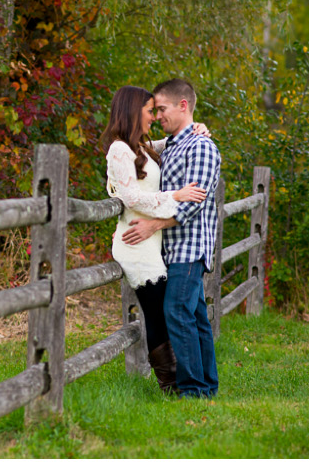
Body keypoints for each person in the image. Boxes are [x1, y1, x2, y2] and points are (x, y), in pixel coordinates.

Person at [100, 86, 207, 395]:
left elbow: (173, 141)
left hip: (151, 242)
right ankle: (170, 385)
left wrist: (195, 128)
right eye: (150, 111)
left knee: (162, 312)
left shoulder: (142, 148)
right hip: (135, 242)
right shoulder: (119, 150)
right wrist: (176, 196)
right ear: (134, 112)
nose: (155, 117)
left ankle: (177, 383)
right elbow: (131, 195)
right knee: (158, 314)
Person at [123, 78, 222, 398]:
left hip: (189, 246)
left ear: (183, 106)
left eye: (162, 109)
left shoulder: (201, 146)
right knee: (194, 317)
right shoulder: (176, 144)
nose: (158, 116)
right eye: (153, 110)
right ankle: (206, 387)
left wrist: (153, 226)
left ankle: (192, 390)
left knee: (177, 312)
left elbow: (194, 202)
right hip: (172, 247)